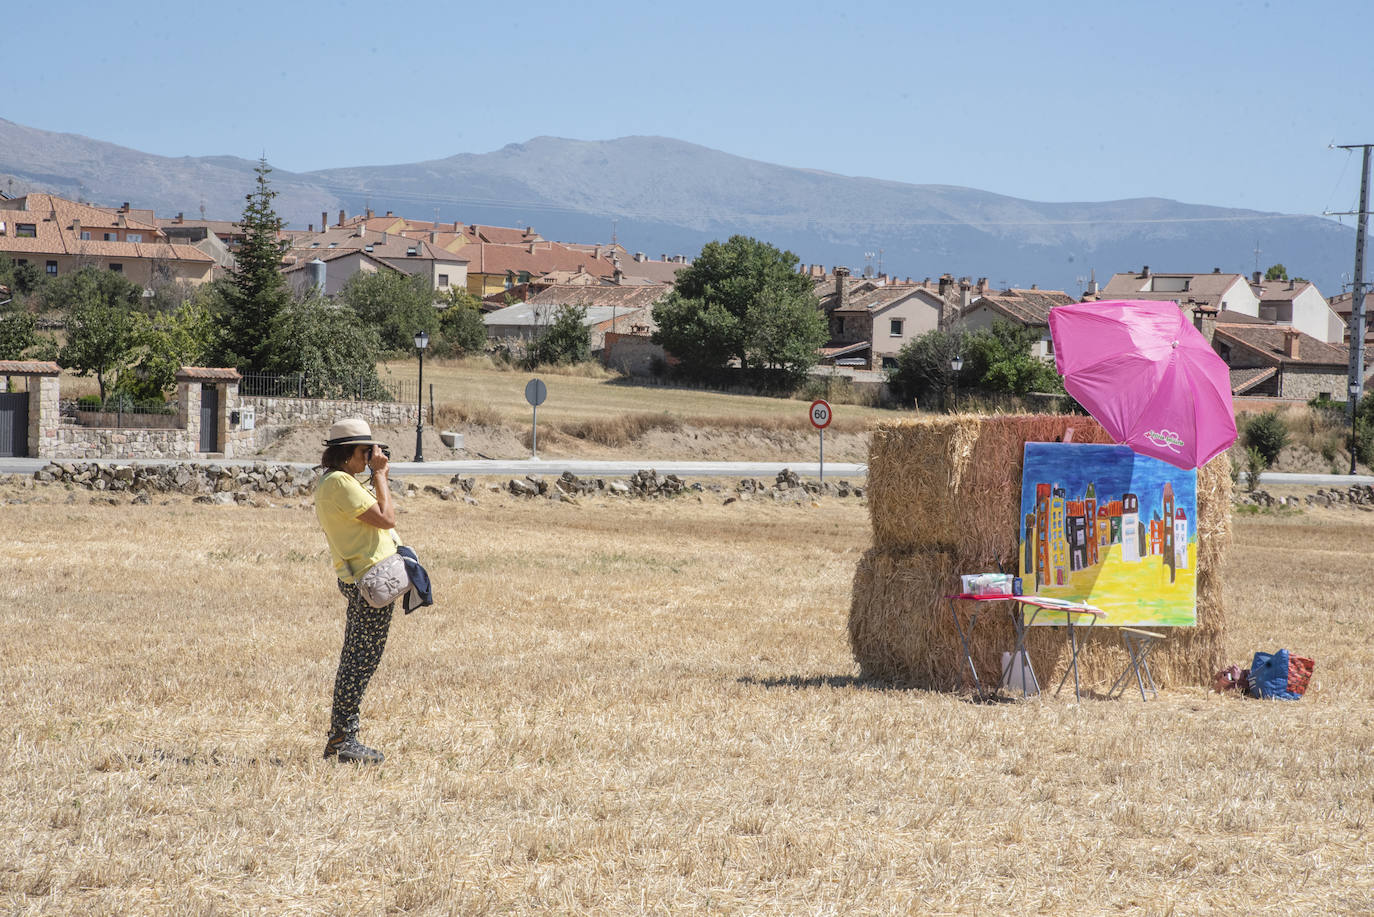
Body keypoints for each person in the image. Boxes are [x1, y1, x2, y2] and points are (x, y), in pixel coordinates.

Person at [315, 418, 400, 764]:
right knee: (359, 661)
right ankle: (343, 739)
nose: (369, 457)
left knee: (358, 658)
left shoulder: (338, 482)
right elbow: (387, 516)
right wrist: (380, 475)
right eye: (365, 451)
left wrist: (375, 474)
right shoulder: (340, 484)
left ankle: (342, 737)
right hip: (369, 581)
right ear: (348, 454)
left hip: (366, 579)